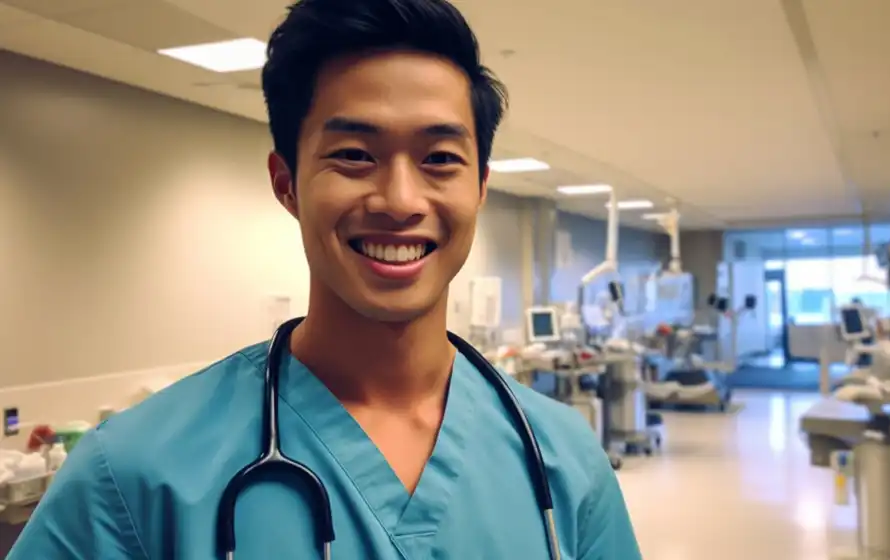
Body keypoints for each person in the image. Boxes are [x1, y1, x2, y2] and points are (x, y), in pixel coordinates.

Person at [8, 0, 641, 558]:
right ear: (286, 183)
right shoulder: (134, 475)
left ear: (479, 187)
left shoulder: (564, 461)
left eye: (440, 159)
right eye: (353, 156)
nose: (399, 199)